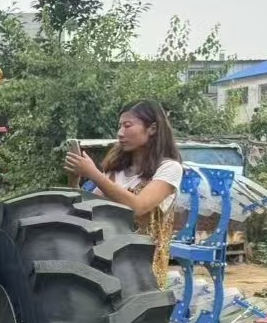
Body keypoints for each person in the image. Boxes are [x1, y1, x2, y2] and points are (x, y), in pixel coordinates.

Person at [63, 100, 184, 288]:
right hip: (105, 261)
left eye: (127, 126)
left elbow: (138, 207)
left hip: (142, 271)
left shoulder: (169, 168)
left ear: (152, 129)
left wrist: (94, 174)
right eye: (119, 126)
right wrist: (74, 181)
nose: (120, 133)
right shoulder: (116, 170)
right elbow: (86, 210)